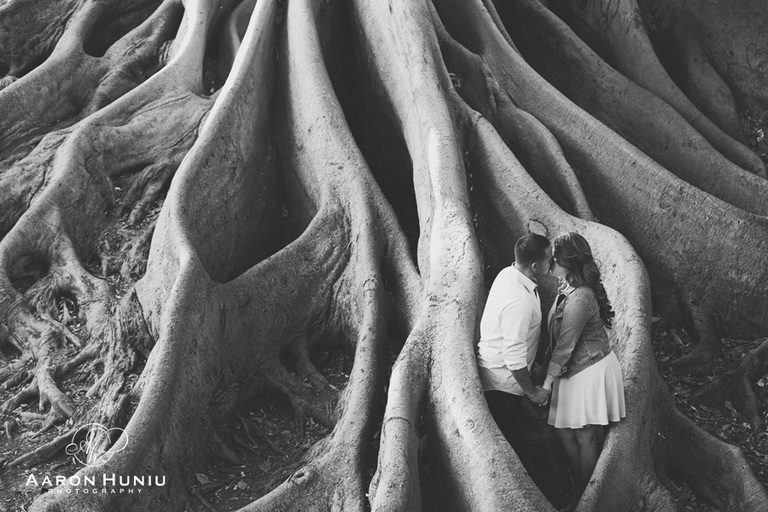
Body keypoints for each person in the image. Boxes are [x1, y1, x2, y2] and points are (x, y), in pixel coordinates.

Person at [541, 232, 626, 499]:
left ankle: (587, 497)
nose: (550, 262)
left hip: (590, 371)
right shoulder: (566, 287)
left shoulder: (580, 297)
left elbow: (565, 345)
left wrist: (546, 384)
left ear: (570, 262)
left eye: (556, 258)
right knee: (564, 432)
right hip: (569, 371)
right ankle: (581, 487)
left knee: (585, 437)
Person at [477, 233, 552, 460]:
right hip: (503, 385)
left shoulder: (508, 273)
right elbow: (513, 357)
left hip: (500, 373)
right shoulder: (519, 302)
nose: (553, 262)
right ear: (535, 266)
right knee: (508, 446)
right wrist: (533, 392)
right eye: (549, 259)